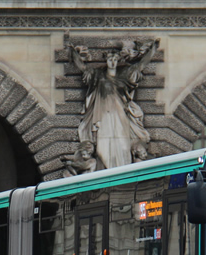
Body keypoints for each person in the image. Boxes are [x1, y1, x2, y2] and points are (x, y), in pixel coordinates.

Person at [67, 38, 159, 169]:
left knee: (123, 146)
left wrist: (153, 49)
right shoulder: (98, 76)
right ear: (106, 60)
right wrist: (73, 52)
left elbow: (140, 66)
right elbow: (83, 67)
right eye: (110, 59)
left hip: (121, 116)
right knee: (103, 149)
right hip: (102, 117)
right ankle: (105, 179)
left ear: (118, 61)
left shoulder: (124, 75)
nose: (112, 62)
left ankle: (124, 179)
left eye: (115, 59)